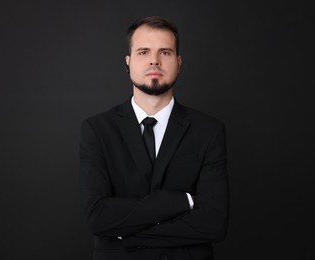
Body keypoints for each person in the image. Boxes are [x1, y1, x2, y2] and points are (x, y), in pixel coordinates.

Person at [79, 16, 229, 260]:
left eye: (165, 52)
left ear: (179, 62)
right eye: (143, 52)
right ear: (128, 62)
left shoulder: (209, 130)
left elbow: (213, 223)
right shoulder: (97, 129)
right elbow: (98, 217)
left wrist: (127, 234)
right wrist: (181, 201)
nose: (154, 60)